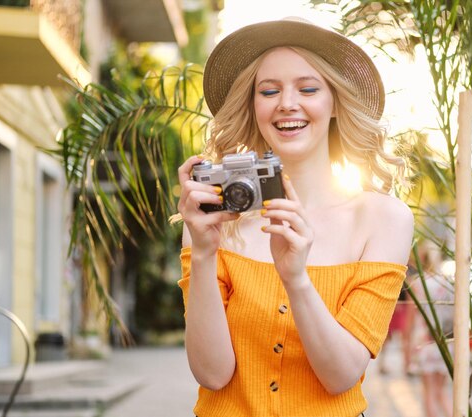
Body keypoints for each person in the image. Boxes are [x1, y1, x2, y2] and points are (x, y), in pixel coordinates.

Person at [175, 17, 414, 417]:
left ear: (334, 101)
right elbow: (212, 374)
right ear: (253, 105)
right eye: (269, 91)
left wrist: (297, 279)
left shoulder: (384, 219)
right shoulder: (212, 218)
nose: (287, 103)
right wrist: (202, 253)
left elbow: (340, 376)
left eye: (308, 88)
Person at [412, 241, 454, 417]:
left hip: (426, 341)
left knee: (428, 392)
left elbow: (411, 318)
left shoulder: (418, 283)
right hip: (446, 341)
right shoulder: (447, 283)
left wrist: (408, 348)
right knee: (441, 392)